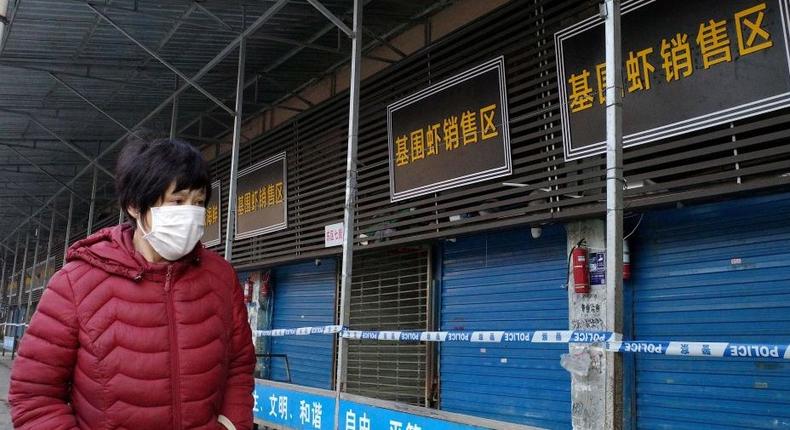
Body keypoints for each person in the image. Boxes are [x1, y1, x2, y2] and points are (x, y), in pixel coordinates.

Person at [9, 135, 256, 430]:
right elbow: (35, 395)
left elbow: (239, 366)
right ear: (134, 206)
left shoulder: (221, 278)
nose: (190, 215)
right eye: (177, 201)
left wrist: (231, 425)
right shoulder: (76, 283)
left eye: (198, 203)